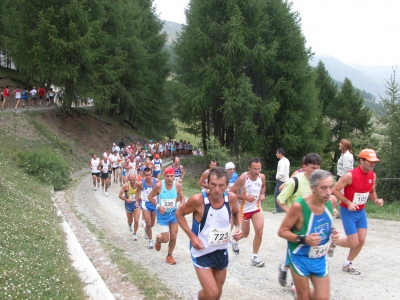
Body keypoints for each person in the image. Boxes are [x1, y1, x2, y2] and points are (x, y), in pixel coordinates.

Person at [176, 167, 243, 300]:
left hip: (221, 250)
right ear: (207, 183)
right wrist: (192, 236)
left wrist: (239, 226)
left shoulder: (231, 198)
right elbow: (179, 213)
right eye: (213, 185)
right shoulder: (198, 200)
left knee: (217, 293)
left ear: (226, 186)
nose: (217, 190)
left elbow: (235, 213)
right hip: (202, 251)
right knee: (211, 293)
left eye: (221, 185)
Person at [278, 170, 339, 300]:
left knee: (323, 297)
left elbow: (326, 222)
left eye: (330, 187)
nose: (328, 192)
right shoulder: (299, 206)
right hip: (300, 257)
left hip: (319, 257)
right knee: (304, 297)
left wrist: (333, 232)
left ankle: (297, 293)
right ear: (313, 188)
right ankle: (298, 293)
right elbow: (282, 231)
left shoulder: (331, 201)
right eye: (323, 187)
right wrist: (304, 239)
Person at [333, 149, 384, 275]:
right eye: (370, 161)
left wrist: (376, 200)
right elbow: (335, 190)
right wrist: (348, 202)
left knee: (361, 240)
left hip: (360, 212)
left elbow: (371, 191)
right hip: (347, 211)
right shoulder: (350, 175)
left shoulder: (372, 175)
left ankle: (348, 263)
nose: (373, 164)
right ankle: (331, 241)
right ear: (361, 160)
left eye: (374, 162)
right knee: (353, 242)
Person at [276, 153, 323, 287]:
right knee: (297, 250)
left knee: (307, 251)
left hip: (313, 222)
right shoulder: (294, 181)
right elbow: (280, 199)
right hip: (296, 224)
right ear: (304, 167)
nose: (316, 171)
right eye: (313, 167)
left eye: (318, 168)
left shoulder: (319, 183)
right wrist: (290, 213)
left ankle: (285, 269)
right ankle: (295, 280)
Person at [229, 157, 266, 267]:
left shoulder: (262, 176)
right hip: (243, 209)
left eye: (259, 169)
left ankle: (255, 257)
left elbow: (263, 186)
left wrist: (262, 194)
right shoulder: (243, 178)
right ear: (249, 168)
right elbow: (231, 192)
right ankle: (234, 240)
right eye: (254, 169)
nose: (257, 171)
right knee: (245, 234)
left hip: (256, 207)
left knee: (259, 230)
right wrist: (244, 197)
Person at [148, 167, 185, 265]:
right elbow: (150, 197)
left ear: (174, 177)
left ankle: (169, 255)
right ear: (164, 176)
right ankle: (159, 240)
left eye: (171, 176)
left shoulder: (177, 185)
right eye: (167, 176)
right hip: (162, 215)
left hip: (173, 213)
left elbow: (182, 197)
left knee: (173, 236)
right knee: (166, 238)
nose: (169, 178)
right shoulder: (159, 185)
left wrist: (181, 204)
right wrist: (158, 206)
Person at [136, 167, 159, 248]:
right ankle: (150, 241)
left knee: (152, 224)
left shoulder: (157, 182)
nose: (148, 177)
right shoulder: (140, 183)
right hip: (145, 204)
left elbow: (160, 191)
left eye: (149, 175)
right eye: (146, 175)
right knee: (148, 223)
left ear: (152, 174)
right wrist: (136, 201)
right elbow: (137, 191)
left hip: (154, 204)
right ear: (143, 175)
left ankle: (146, 229)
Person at [335, 139, 354, 219]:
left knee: (341, 194)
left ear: (344, 145)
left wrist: (342, 179)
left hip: (344, 177)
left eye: (341, 143)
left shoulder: (346, 156)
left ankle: (343, 213)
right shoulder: (346, 155)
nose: (339, 144)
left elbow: (346, 168)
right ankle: (344, 212)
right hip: (345, 177)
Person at [119, 173, 141, 240]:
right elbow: (119, 195)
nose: (132, 181)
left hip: (137, 203)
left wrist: (141, 198)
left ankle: (134, 233)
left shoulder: (139, 185)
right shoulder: (126, 185)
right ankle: (130, 224)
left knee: (136, 219)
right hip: (129, 204)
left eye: (133, 180)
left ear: (136, 179)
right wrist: (126, 199)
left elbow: (144, 191)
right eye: (131, 180)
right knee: (130, 220)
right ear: (128, 179)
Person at [273, 148, 290, 213]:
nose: (276, 154)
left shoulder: (281, 162)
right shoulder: (286, 160)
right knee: (285, 194)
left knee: (276, 194)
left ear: (280, 153)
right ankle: (285, 207)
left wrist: (277, 177)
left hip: (281, 180)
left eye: (277, 153)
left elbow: (282, 172)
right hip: (287, 180)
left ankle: (279, 209)